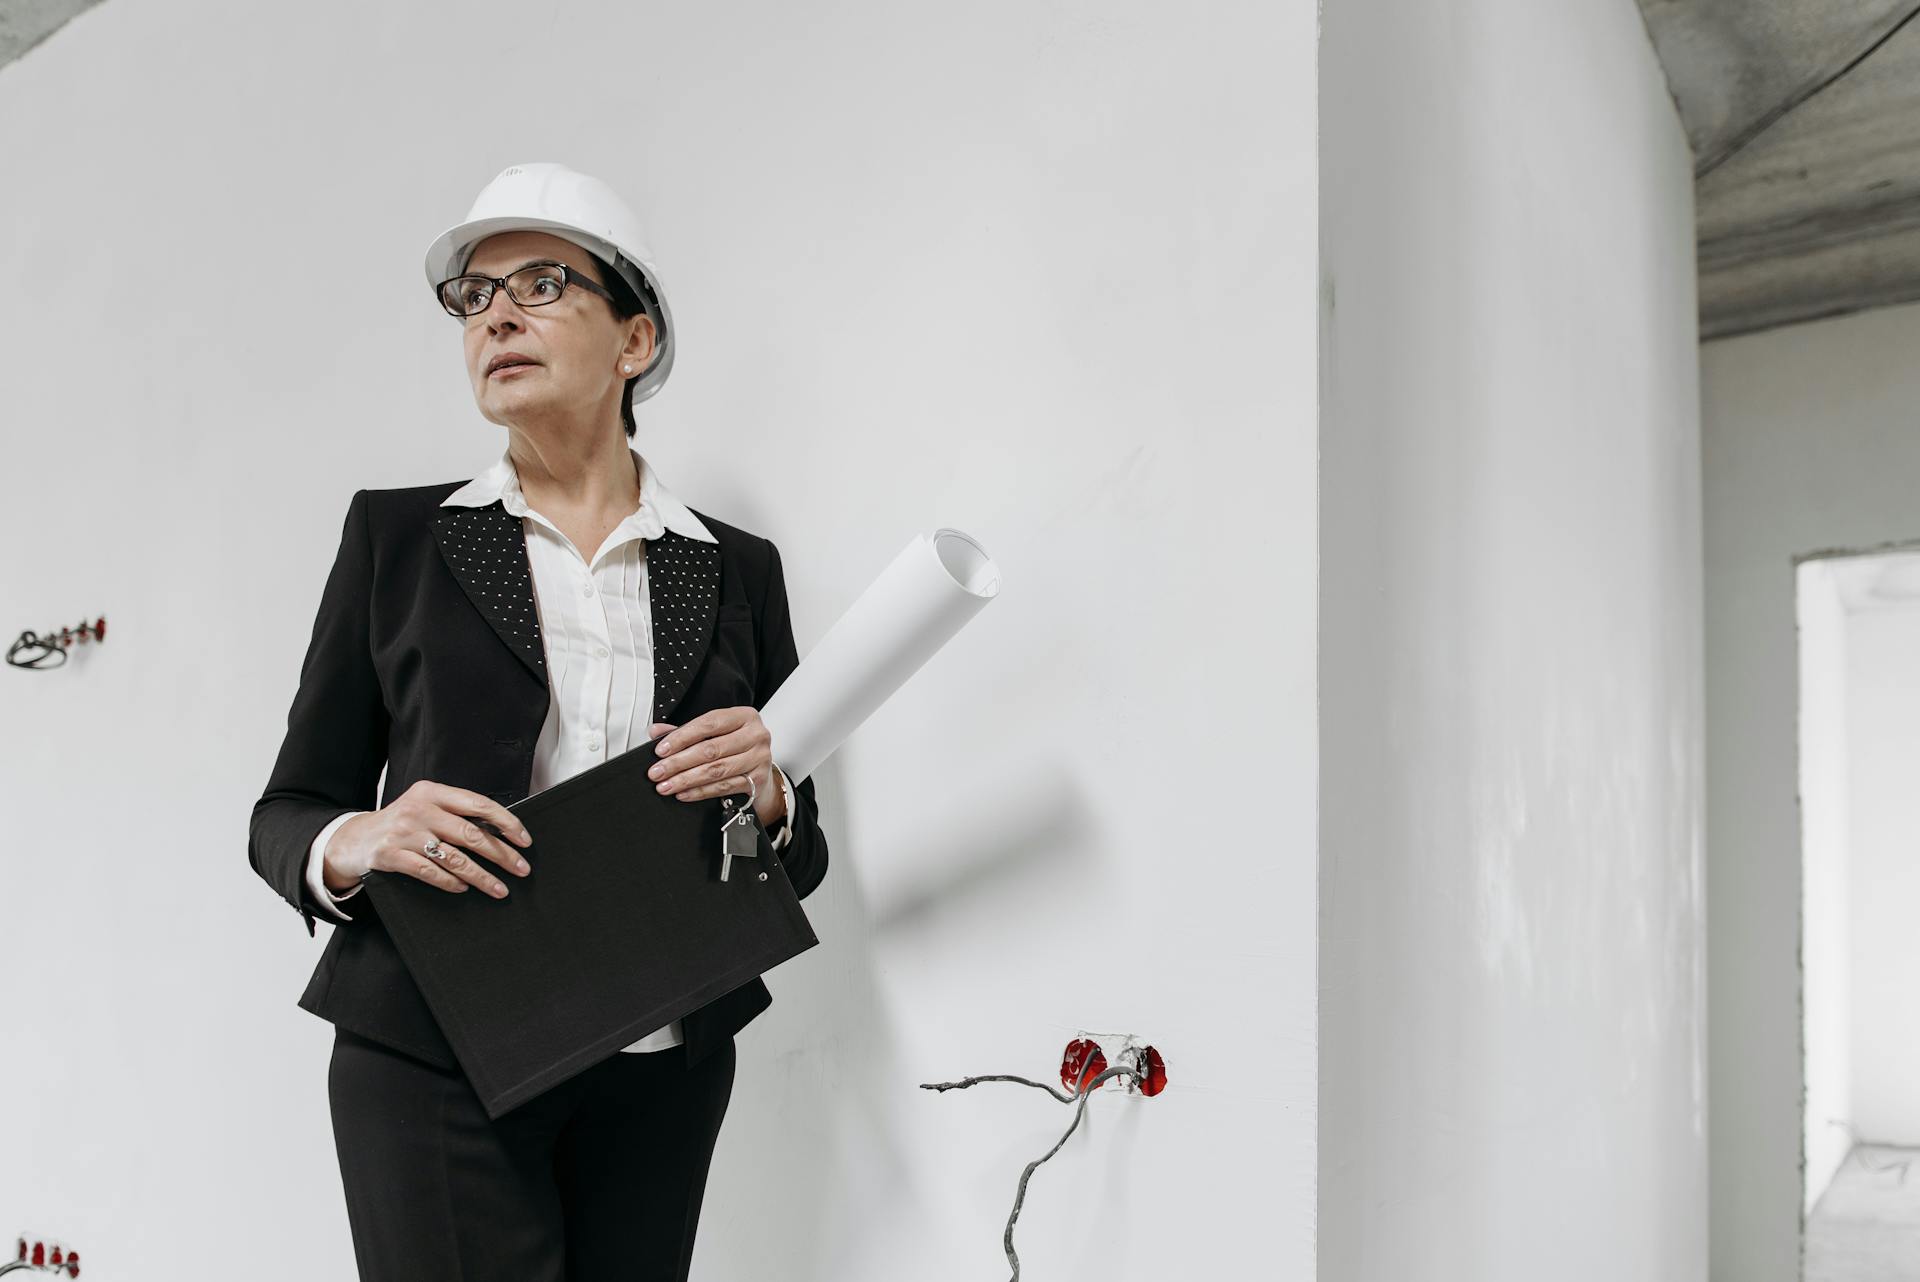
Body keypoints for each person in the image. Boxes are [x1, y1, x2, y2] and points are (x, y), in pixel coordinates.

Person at [246, 161, 830, 1281]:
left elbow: (796, 859)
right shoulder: (397, 541)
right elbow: (286, 808)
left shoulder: (737, 569)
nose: (496, 314)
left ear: (635, 340)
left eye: (544, 284)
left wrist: (766, 796)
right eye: (473, 297)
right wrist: (352, 839)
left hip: (663, 1055)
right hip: (432, 1049)